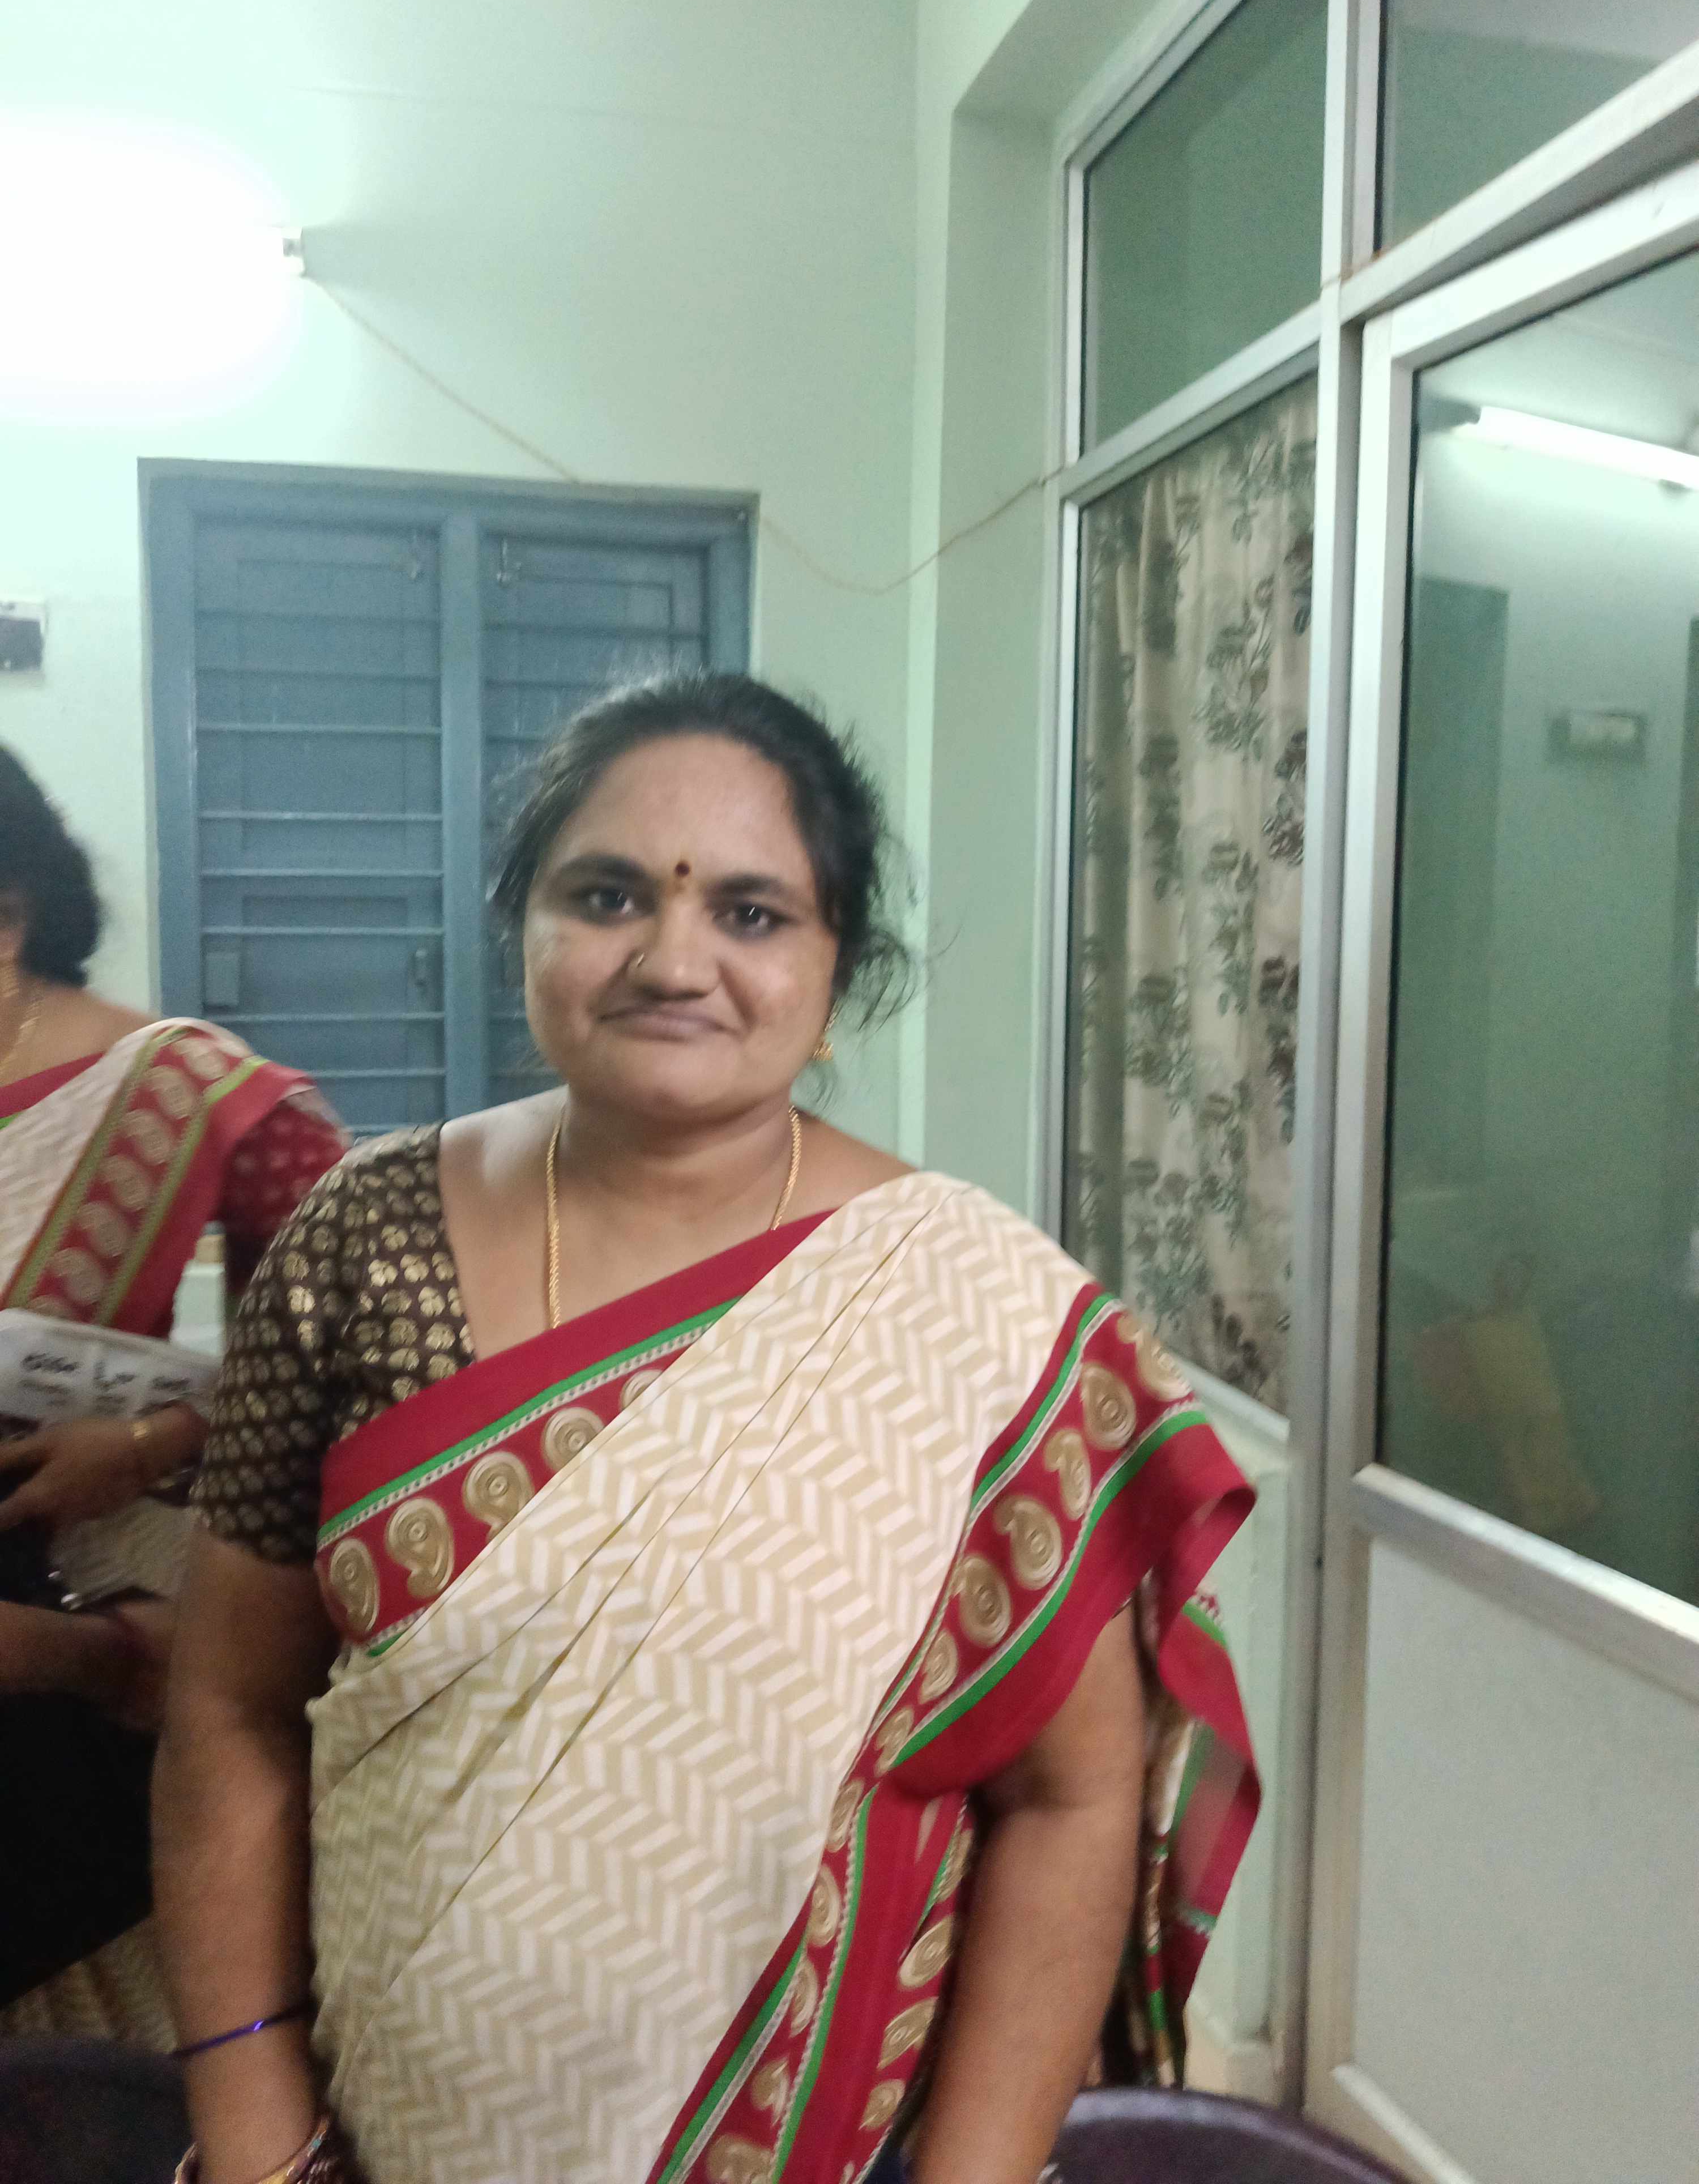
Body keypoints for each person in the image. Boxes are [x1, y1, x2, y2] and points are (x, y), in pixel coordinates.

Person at [155, 675, 1260, 2184]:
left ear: (837, 964)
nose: (673, 960)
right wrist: (251, 2124)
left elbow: (1069, 1798)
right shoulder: (363, 1241)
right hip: (380, 2130)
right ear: (523, 923)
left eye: (751, 912)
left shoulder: (978, 1311)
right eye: (606, 895)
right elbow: (229, 1710)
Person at [0, 746, 347, 2042]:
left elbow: (339, 1361)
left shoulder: (185, 1091)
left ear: (9, 913)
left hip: (86, 1680)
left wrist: (149, 1441)